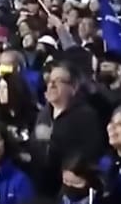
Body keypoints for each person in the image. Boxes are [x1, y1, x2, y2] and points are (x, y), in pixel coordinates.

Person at [39, 62, 106, 195]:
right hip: (42, 187)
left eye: (59, 81)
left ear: (73, 87)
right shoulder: (43, 114)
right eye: (50, 80)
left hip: (69, 190)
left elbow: (90, 153)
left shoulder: (86, 116)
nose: (51, 84)